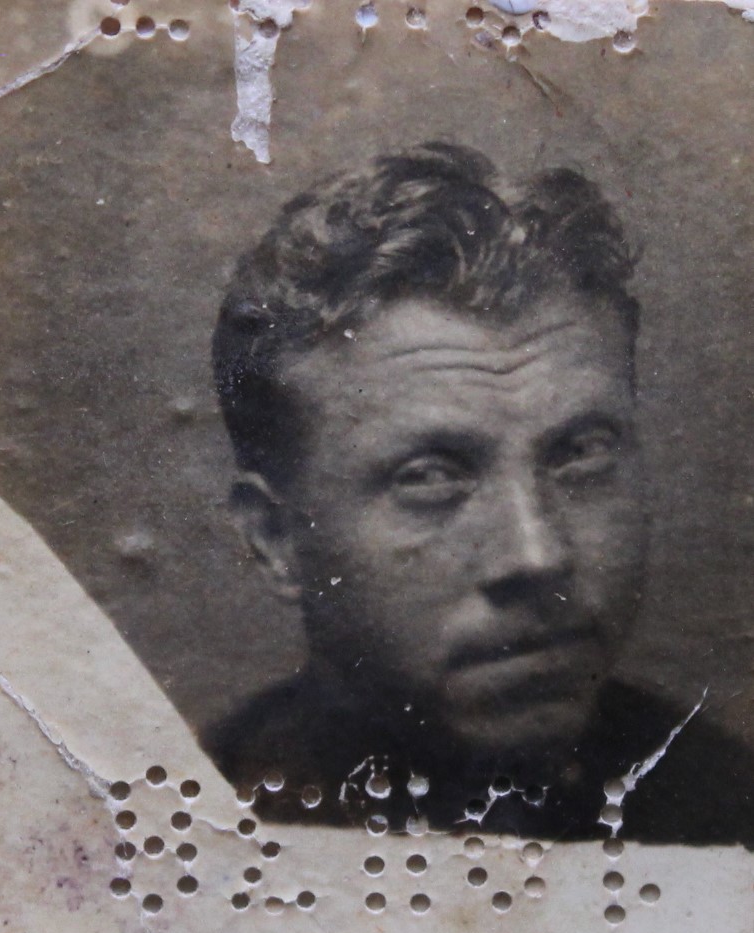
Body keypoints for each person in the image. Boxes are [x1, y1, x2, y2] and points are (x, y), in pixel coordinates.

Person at [205, 142, 752, 844]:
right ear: (274, 538)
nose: (536, 555)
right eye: (430, 476)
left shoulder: (729, 814)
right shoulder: (183, 834)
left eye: (580, 453)